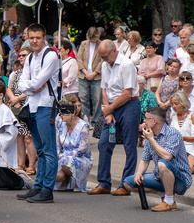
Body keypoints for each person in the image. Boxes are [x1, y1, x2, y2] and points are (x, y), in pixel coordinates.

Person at [88, 39, 141, 196]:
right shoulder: (105, 65)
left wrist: (109, 108)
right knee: (104, 143)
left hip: (128, 105)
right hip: (112, 106)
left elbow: (127, 93)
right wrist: (108, 111)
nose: (103, 60)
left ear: (114, 51)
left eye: (104, 56)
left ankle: (126, 184)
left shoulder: (126, 64)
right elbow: (103, 89)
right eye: (101, 57)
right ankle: (104, 182)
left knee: (130, 146)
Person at [16, 24, 61, 204]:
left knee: (48, 150)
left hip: (46, 105)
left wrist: (31, 86)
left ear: (44, 38)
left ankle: (47, 190)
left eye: (38, 38)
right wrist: (32, 87)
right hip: (32, 105)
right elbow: (22, 83)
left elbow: (37, 83)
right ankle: (39, 186)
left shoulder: (50, 55)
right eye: (31, 38)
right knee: (39, 149)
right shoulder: (30, 58)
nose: (34, 41)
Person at [122, 107, 193, 212]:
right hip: (160, 176)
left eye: (146, 118)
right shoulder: (150, 134)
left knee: (162, 163)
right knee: (128, 183)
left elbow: (167, 156)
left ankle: (169, 202)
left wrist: (151, 139)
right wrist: (138, 173)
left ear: (154, 121)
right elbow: (144, 160)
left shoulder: (172, 133)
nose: (144, 121)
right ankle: (164, 193)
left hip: (181, 180)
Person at [52, 100, 93, 192]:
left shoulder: (83, 126)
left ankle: (75, 180)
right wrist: (56, 154)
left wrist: (62, 156)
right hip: (63, 158)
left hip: (82, 158)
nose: (61, 116)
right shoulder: (60, 124)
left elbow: (82, 149)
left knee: (68, 160)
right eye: (60, 113)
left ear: (73, 113)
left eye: (65, 113)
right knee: (56, 175)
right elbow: (56, 143)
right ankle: (65, 180)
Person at [77, 27, 103, 134]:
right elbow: (79, 58)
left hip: (96, 76)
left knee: (97, 99)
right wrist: (86, 72)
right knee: (83, 99)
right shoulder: (83, 44)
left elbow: (102, 60)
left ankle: (95, 121)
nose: (93, 40)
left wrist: (94, 73)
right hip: (83, 75)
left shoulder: (101, 44)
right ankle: (85, 121)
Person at [167, 92, 194, 173]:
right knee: (171, 168)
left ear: (183, 103)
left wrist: (182, 138)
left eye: (176, 104)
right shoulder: (173, 117)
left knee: (188, 170)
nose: (174, 106)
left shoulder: (192, 116)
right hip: (178, 147)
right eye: (172, 104)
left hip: (192, 146)